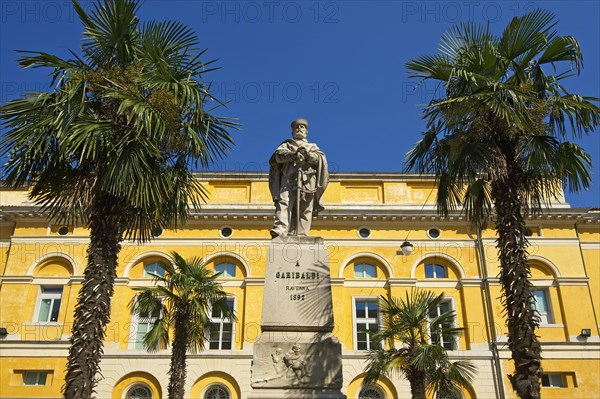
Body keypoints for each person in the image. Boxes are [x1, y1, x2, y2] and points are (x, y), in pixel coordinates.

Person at [269, 118, 329, 238]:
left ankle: (302, 233)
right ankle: (281, 229)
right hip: (289, 179)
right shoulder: (286, 145)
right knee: (284, 202)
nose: (299, 129)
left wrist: (308, 155)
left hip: (307, 180)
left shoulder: (312, 146)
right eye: (297, 127)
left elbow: (321, 160)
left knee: (305, 207)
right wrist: (293, 155)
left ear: (306, 132)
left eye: (302, 127)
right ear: (292, 132)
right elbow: (277, 157)